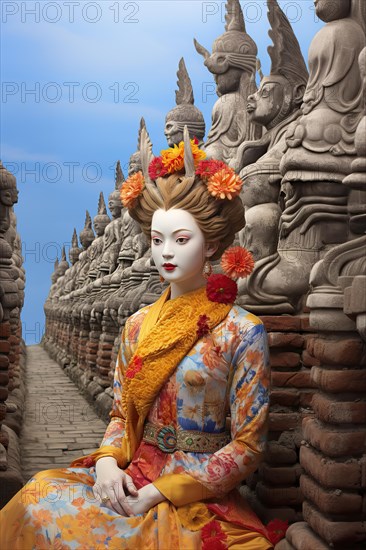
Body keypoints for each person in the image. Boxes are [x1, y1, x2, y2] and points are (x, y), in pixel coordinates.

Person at [0, 128, 273, 549]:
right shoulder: (137, 324)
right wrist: (108, 463)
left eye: (182, 240)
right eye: (156, 239)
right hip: (132, 471)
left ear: (213, 242)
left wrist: (162, 491)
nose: (166, 252)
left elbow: (249, 447)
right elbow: (119, 414)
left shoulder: (241, 330)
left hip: (194, 488)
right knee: (36, 499)